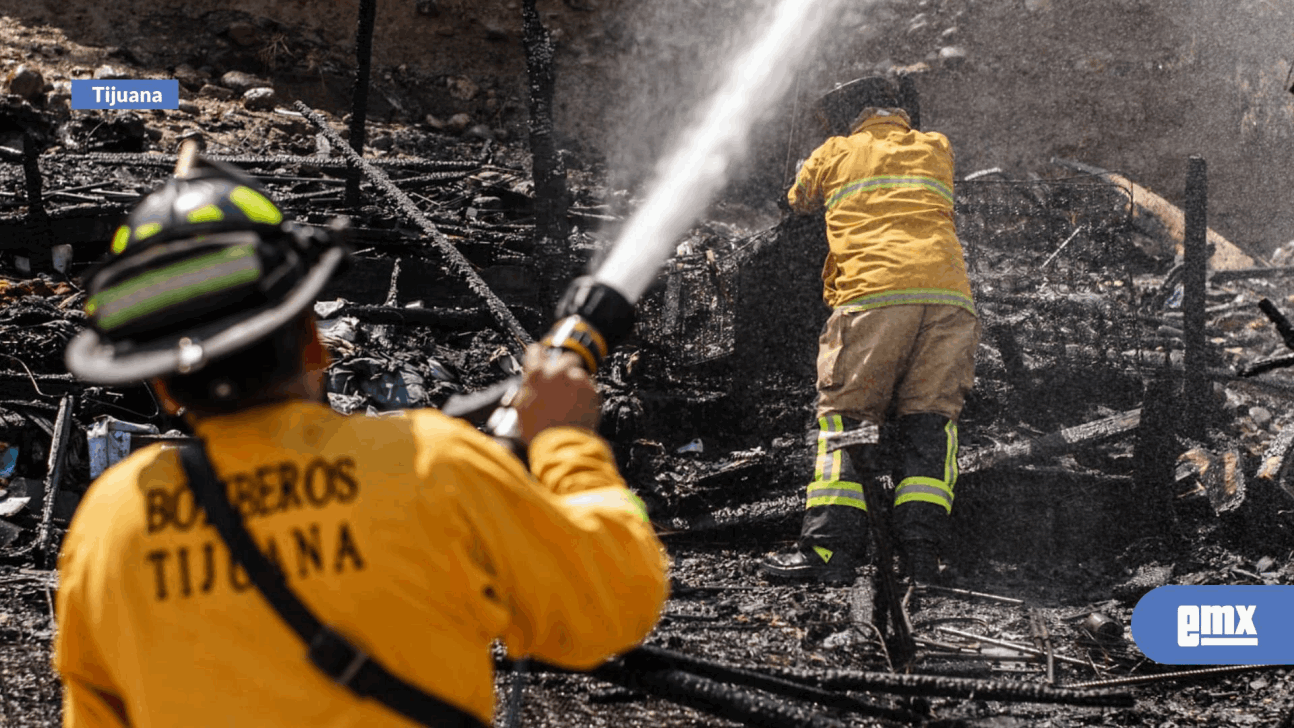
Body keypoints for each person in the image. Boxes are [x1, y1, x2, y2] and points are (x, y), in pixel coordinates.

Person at [56, 154, 669, 727]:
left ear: (161, 383)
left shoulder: (106, 525)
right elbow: (612, 605)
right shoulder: (429, 464)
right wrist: (566, 441)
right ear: (312, 339)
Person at [759, 75, 979, 584]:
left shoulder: (833, 152)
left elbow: (796, 201)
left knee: (848, 420)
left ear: (851, 118)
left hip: (873, 299)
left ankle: (831, 551)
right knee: (930, 424)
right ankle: (922, 557)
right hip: (948, 302)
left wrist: (799, 177)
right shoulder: (936, 147)